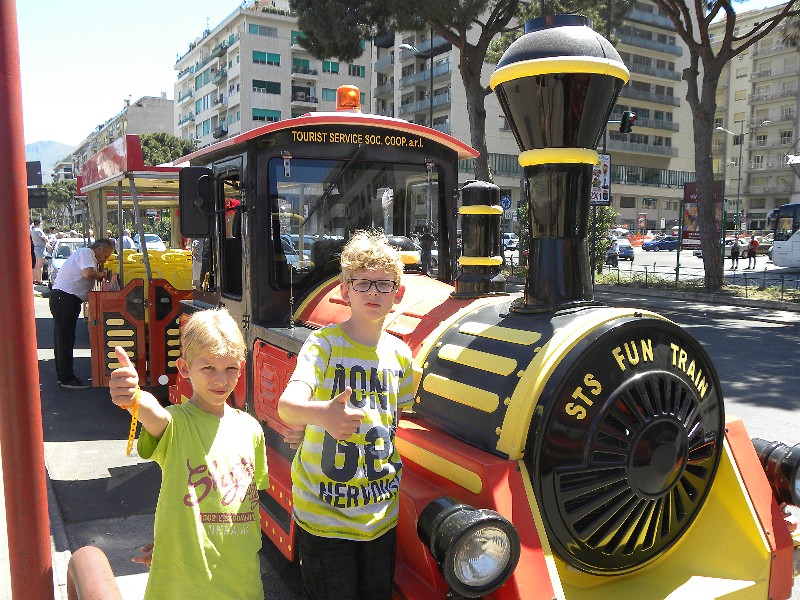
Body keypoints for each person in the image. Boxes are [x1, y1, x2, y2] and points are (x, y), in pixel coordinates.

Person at [279, 230, 414, 600]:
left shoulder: (401, 356)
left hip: (379, 515)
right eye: (363, 283)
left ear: (397, 293)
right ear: (345, 291)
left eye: (383, 284)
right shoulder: (323, 344)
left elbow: (395, 421)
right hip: (325, 517)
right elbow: (287, 406)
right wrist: (320, 416)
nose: (373, 292)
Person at [108, 308, 269, 599]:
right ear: (184, 368)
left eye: (230, 368)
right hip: (183, 587)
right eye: (208, 368)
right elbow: (154, 414)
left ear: (242, 367)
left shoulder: (251, 429)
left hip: (243, 584)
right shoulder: (177, 424)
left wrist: (174, 537)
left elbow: (242, 507)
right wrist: (134, 396)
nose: (221, 379)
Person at [48, 239, 115, 389]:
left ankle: (63, 375)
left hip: (65, 298)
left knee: (62, 338)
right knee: (65, 339)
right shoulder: (86, 253)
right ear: (99, 249)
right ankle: (67, 378)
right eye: (105, 255)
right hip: (65, 298)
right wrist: (102, 275)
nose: (104, 259)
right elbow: (87, 273)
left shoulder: (85, 254)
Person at [30, 218, 49, 284]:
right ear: (39, 223)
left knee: (36, 265)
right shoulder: (38, 230)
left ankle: (35, 279)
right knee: (40, 265)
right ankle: (39, 280)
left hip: (36, 247)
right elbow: (45, 239)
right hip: (41, 248)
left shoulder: (32, 230)